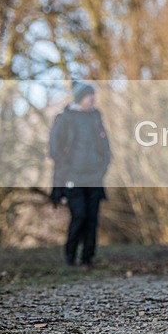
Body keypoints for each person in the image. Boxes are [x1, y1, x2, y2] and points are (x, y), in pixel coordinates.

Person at [49, 82, 112, 266]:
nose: (92, 98)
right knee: (79, 215)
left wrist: (101, 168)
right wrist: (66, 170)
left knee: (92, 218)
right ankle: (70, 256)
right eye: (88, 95)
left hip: (94, 178)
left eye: (93, 95)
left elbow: (105, 149)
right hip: (72, 178)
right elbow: (55, 149)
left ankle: (88, 257)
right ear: (80, 98)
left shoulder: (96, 118)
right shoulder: (65, 119)